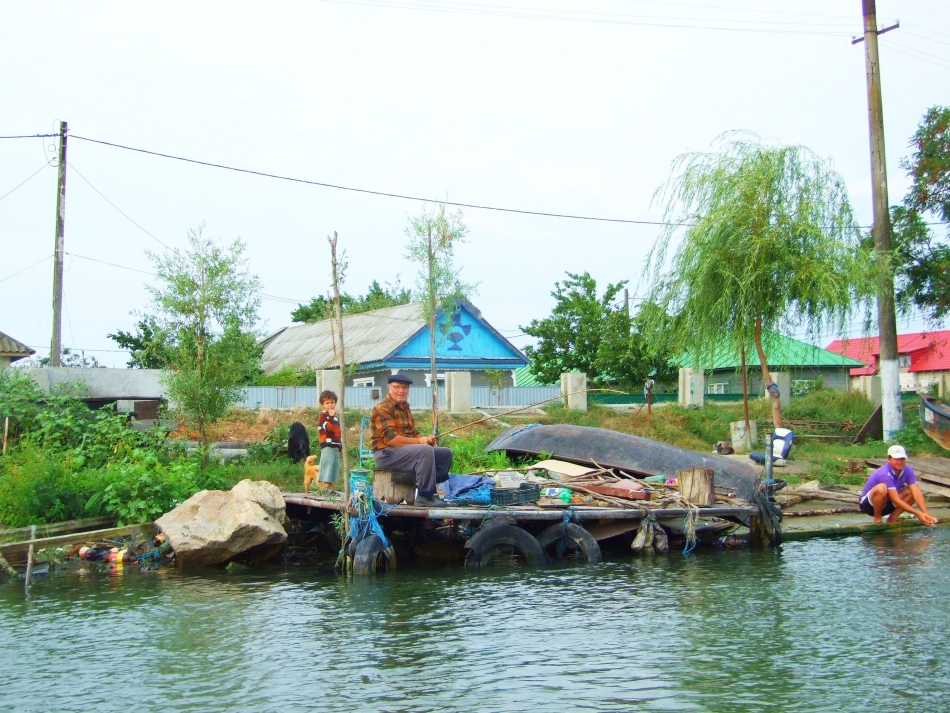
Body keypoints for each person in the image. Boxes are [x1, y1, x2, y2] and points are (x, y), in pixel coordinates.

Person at [370, 374, 453, 507]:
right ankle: (424, 495)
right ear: (389, 388)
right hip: (386, 454)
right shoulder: (383, 408)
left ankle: (433, 494)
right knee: (424, 450)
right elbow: (391, 440)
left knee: (445, 453)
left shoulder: (405, 407)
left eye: (405, 387)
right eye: (397, 387)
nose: (401, 391)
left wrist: (425, 439)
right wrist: (420, 442)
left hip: (404, 452)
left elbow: (412, 433)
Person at [859, 445, 938, 526]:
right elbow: (896, 499)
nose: (899, 462)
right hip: (869, 506)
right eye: (896, 459)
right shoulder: (884, 473)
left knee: (914, 489)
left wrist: (926, 514)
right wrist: (918, 514)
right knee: (881, 488)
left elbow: (916, 492)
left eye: (902, 459)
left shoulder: (908, 470)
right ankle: (877, 519)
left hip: (888, 504)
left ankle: (893, 518)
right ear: (889, 459)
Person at [316, 390, 342, 491]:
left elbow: (338, 432)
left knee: (334, 467)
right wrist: (330, 416)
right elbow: (328, 428)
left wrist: (340, 445)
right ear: (322, 405)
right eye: (327, 403)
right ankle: (324, 488)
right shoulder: (323, 416)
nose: (330, 405)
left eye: (332, 402)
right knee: (327, 466)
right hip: (327, 444)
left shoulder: (335, 418)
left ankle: (330, 489)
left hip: (335, 445)